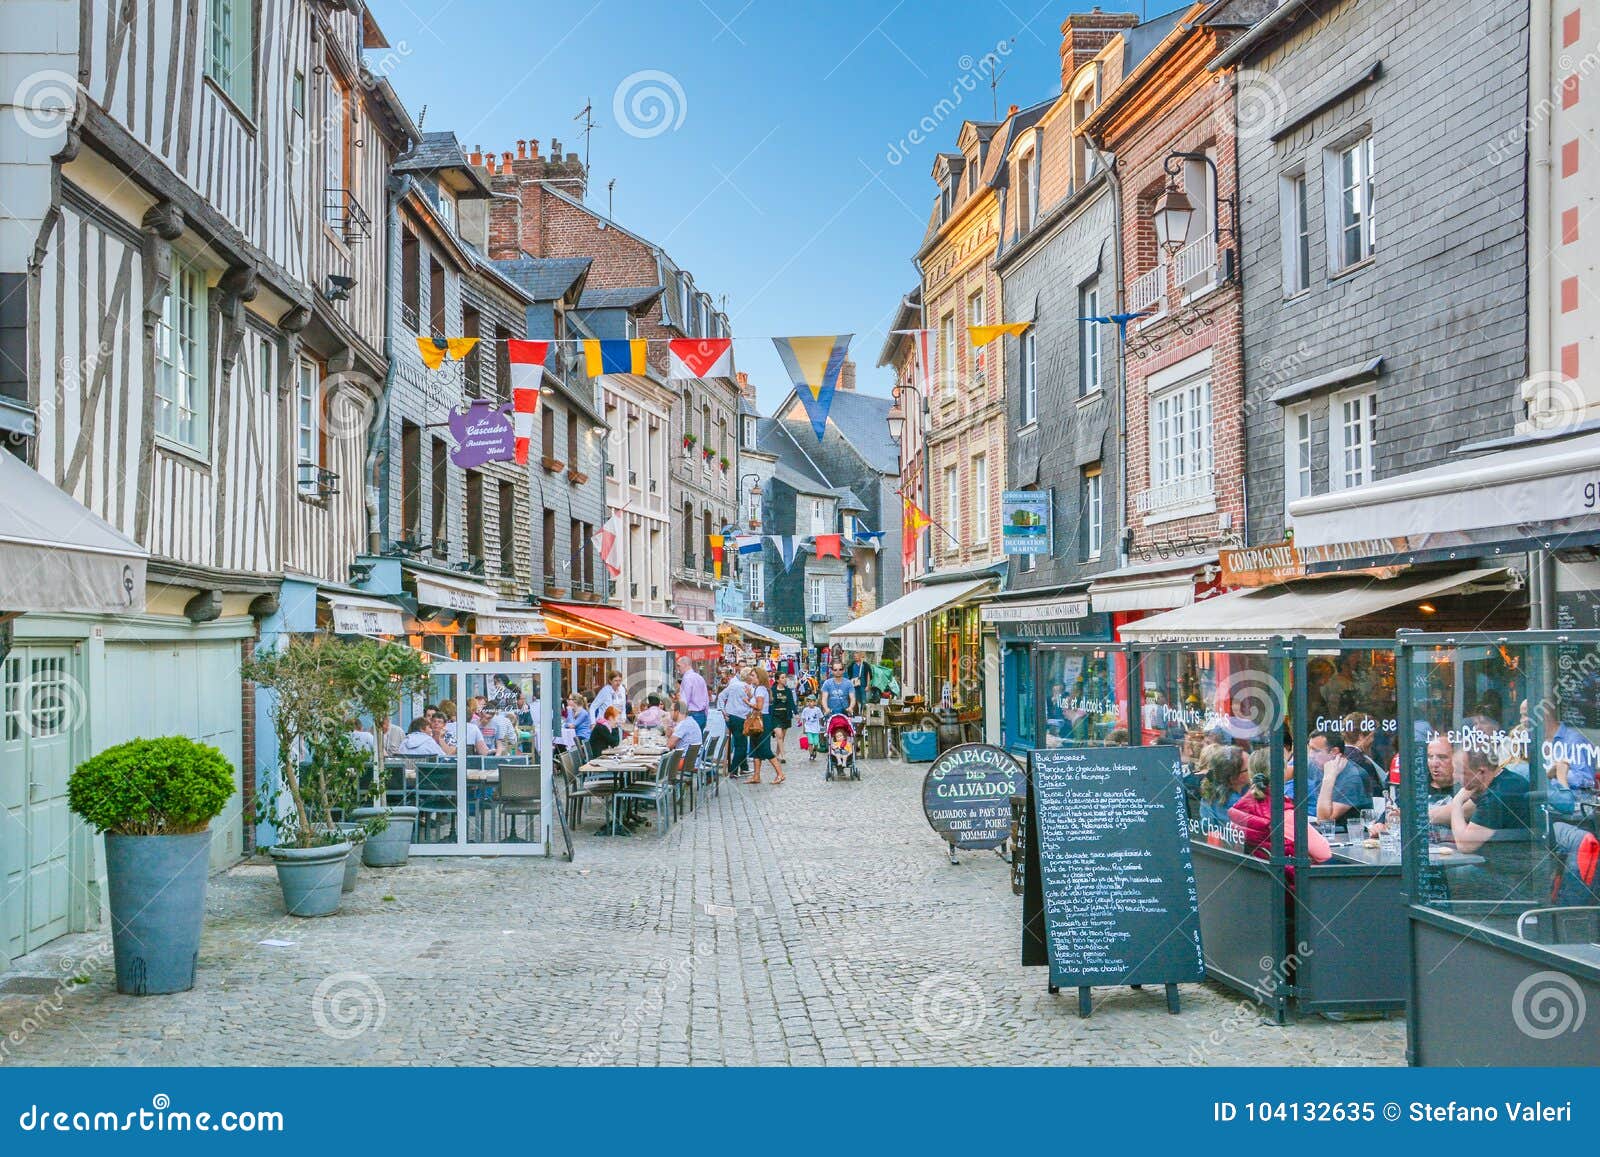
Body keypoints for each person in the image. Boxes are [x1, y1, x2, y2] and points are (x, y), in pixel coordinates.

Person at [1228, 768, 1332, 867]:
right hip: (1292, 882)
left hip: (1258, 879)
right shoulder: (1283, 814)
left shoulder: (1240, 807)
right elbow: (1324, 854)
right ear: (1282, 773)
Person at [1307, 734, 1367, 829]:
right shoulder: (1315, 764)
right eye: (1309, 749)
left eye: (1316, 751)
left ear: (1334, 752)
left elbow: (1324, 821)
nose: (1311, 755)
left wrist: (1328, 778)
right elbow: (1285, 773)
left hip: (1344, 835)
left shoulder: (1352, 777)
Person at [742, 667, 784, 784]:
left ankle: (780, 774)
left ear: (759, 677)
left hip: (761, 720)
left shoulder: (760, 689)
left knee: (764, 749)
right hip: (761, 719)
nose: (751, 677)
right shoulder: (758, 689)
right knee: (755, 749)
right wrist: (750, 695)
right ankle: (756, 776)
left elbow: (759, 707)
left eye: (753, 676)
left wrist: (748, 702)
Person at [1542, 703, 1597, 790]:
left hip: (1574, 800)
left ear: (1544, 716)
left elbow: (1588, 781)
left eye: (1525, 715)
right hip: (1547, 799)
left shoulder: (1575, 740)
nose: (1522, 720)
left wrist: (1560, 772)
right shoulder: (1537, 741)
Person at [1198, 745, 1248, 834]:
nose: (1253, 770)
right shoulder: (1236, 805)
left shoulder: (1209, 796)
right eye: (1249, 769)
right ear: (1233, 778)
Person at [1340, 713, 1386, 799]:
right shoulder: (1362, 762)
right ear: (1361, 736)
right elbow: (1374, 793)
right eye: (1371, 736)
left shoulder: (1337, 756)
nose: (1373, 740)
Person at [719, 666, 751, 779]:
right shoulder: (748, 687)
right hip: (741, 718)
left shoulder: (733, 685)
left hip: (731, 717)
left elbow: (721, 696)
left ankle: (743, 767)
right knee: (741, 745)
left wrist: (723, 711)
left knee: (740, 742)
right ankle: (733, 770)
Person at [677, 655, 710, 734]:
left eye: (679, 666)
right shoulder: (699, 677)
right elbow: (706, 699)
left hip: (692, 715)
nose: (678, 668)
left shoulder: (687, 678)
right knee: (697, 742)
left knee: (689, 742)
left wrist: (680, 721)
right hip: (701, 715)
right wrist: (705, 716)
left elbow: (684, 701)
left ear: (685, 665)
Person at [769, 671, 796, 759]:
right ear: (777, 680)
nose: (785, 679)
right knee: (779, 735)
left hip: (785, 715)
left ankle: (777, 754)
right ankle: (783, 755)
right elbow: (770, 703)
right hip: (775, 715)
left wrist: (796, 713)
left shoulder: (788, 690)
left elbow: (791, 702)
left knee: (782, 737)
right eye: (782, 678)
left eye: (785, 677)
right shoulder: (772, 690)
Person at [799, 696, 824, 762]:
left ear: (815, 702)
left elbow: (821, 717)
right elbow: (804, 719)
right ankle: (811, 754)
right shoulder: (805, 710)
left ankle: (815, 750)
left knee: (816, 743)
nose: (810, 703)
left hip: (816, 728)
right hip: (808, 728)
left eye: (811, 701)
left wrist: (822, 726)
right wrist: (804, 728)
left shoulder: (817, 709)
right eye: (808, 701)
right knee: (810, 742)